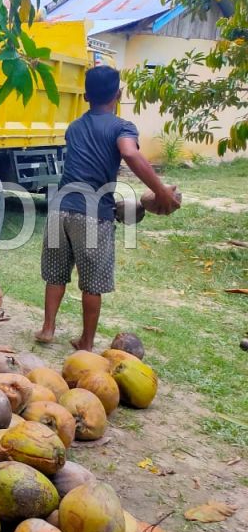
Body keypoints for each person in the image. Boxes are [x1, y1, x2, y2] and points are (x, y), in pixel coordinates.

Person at [36, 65, 180, 351]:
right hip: (92, 215)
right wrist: (160, 191)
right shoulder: (121, 127)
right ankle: (86, 341)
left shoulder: (75, 127)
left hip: (59, 210)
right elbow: (128, 152)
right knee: (92, 283)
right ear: (119, 94)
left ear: (86, 95)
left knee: (56, 274)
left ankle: (48, 328)